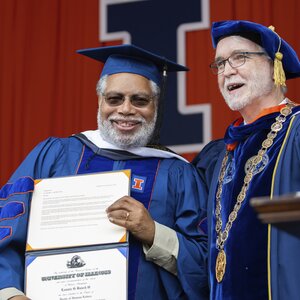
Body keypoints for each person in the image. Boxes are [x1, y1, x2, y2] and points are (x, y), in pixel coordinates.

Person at [0, 44, 209, 300]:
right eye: (115, 98)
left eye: (140, 100)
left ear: (156, 105)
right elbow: (7, 229)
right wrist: (10, 294)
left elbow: (209, 267)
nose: (126, 109)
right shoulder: (54, 156)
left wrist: (154, 233)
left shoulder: (179, 174)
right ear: (100, 100)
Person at [193, 20, 300, 300]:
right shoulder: (223, 153)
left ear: (273, 65)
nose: (227, 71)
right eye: (220, 63)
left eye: (239, 57)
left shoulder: (296, 131)